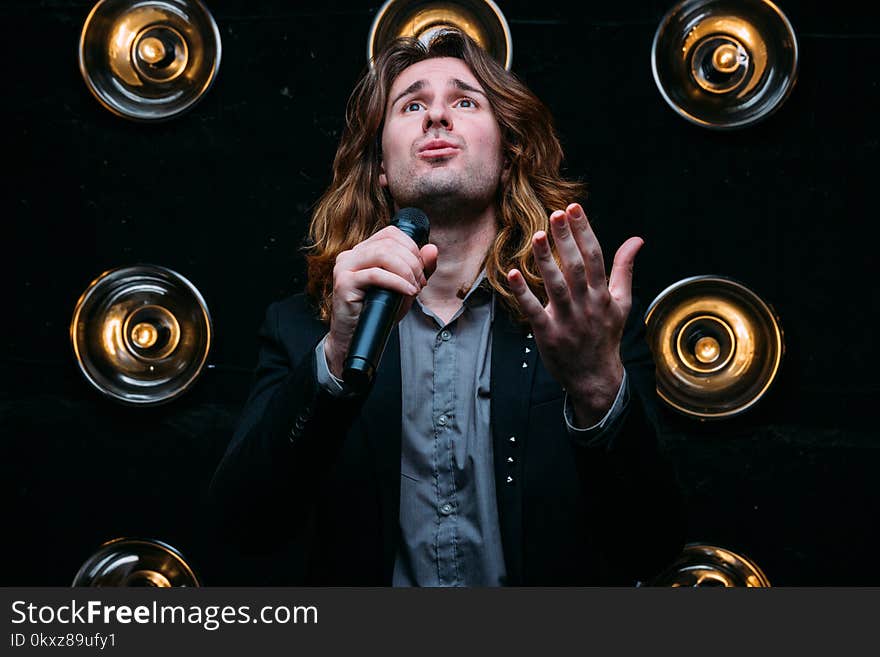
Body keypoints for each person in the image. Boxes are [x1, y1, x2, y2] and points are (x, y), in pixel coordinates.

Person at [209, 29, 685, 586]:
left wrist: (595, 384)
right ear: (380, 168)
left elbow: (652, 547)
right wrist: (335, 360)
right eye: (411, 104)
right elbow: (243, 529)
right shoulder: (301, 330)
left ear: (508, 156)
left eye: (464, 101)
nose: (437, 117)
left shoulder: (581, 320)